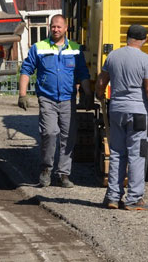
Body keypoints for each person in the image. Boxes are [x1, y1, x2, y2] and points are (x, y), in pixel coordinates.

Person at [95, 24, 148, 211]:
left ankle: (112, 197)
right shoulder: (146, 60)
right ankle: (133, 198)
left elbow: (102, 82)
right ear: (145, 40)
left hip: (116, 111)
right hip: (138, 114)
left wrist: (99, 94)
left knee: (117, 153)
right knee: (137, 154)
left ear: (127, 37)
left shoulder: (113, 56)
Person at [18, 14, 92, 188]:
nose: (56, 29)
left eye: (59, 26)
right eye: (53, 26)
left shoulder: (75, 49)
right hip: (47, 98)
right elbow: (26, 69)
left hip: (68, 99)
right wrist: (22, 94)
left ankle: (64, 174)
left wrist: (88, 94)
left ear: (66, 28)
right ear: (49, 28)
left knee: (68, 137)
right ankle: (45, 170)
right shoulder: (39, 47)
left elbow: (83, 74)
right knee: (49, 133)